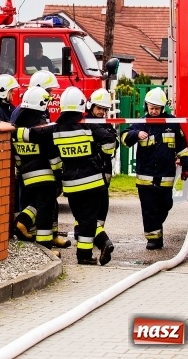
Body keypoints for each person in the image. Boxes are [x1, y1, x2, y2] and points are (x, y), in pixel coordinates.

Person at [20, 86, 117, 265]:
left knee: (82, 218)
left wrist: (10, 128)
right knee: (88, 218)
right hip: (93, 183)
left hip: (71, 185)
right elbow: (110, 141)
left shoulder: (55, 129)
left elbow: (30, 134)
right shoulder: (88, 126)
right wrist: (100, 156)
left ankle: (95, 248)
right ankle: (86, 254)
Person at [121, 87, 188, 250]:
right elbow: (124, 137)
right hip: (145, 177)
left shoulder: (172, 123)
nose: (153, 111)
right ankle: (154, 239)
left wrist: (186, 167)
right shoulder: (141, 123)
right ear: (146, 106)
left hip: (165, 175)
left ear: (163, 108)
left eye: (157, 108)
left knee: (166, 204)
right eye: (151, 108)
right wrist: (136, 134)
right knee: (149, 209)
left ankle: (155, 226)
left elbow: (182, 147)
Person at [11, 87, 63, 257]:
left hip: (27, 176)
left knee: (37, 204)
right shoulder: (43, 128)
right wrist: (59, 174)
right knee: (45, 212)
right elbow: (52, 155)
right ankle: (46, 249)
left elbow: (17, 156)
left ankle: (22, 222)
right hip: (45, 175)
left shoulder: (16, 128)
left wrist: (21, 170)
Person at [85, 88, 118, 256]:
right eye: (99, 108)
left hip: (105, 170)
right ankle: (89, 236)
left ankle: (97, 235)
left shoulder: (107, 124)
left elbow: (114, 143)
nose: (101, 112)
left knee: (103, 206)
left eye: (104, 109)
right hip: (91, 171)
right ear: (91, 107)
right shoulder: (85, 122)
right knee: (90, 206)